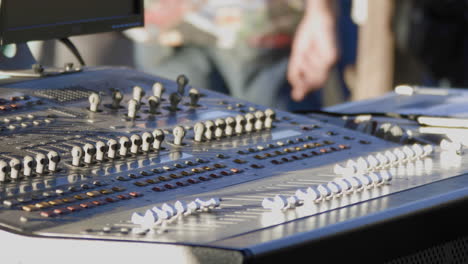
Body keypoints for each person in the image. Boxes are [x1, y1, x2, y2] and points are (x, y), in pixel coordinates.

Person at [129, 0, 338, 111]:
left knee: (283, 151)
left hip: (258, 28)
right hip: (160, 26)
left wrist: (319, 12)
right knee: (175, 161)